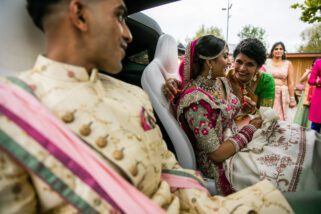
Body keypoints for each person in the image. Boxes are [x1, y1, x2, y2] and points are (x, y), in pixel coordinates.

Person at [0, 0, 297, 213]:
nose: (128, 34)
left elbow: (172, 173)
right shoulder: (13, 112)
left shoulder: (133, 96)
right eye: (119, 16)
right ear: (80, 14)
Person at [175, 35, 320, 196]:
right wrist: (250, 129)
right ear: (209, 62)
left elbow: (226, 113)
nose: (229, 62)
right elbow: (216, 154)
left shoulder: (220, 81)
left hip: (235, 136)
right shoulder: (195, 101)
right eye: (225, 56)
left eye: (249, 64)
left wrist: (248, 111)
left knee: (305, 141)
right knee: (294, 165)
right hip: (223, 160)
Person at [265, 42, 296, 121]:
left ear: (283, 51)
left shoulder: (288, 64)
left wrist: (292, 99)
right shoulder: (266, 62)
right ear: (272, 51)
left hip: (282, 94)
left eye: (281, 49)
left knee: (280, 118)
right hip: (268, 92)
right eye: (276, 49)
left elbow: (291, 82)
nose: (278, 51)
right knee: (267, 117)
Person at [294, 59, 316, 128]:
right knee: (303, 112)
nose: (315, 66)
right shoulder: (309, 72)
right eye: (314, 64)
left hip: (316, 96)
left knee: (313, 113)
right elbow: (301, 80)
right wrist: (307, 72)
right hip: (306, 95)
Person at [308, 58, 321, 133]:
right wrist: (319, 81)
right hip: (319, 98)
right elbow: (311, 80)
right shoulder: (319, 62)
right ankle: (313, 144)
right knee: (315, 130)